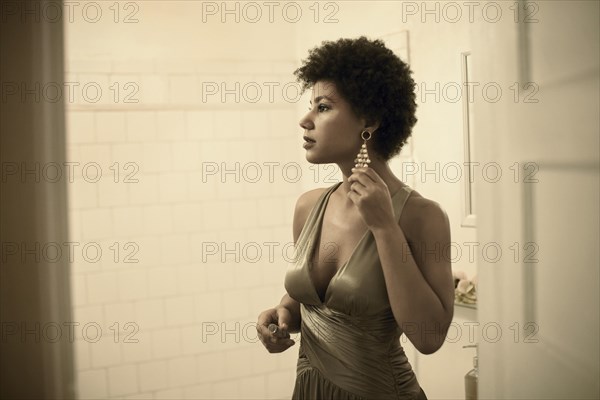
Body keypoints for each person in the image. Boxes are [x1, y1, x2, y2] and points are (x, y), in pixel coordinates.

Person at [256, 36, 455, 400]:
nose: (306, 120)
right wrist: (282, 314)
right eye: (310, 106)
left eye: (323, 107)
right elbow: (314, 306)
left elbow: (428, 338)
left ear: (370, 120)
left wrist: (384, 227)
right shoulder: (308, 206)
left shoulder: (421, 216)